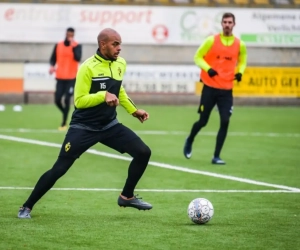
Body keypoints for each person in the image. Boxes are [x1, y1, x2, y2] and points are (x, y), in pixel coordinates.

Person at [18, 28, 152, 219]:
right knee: (59, 169)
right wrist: (102, 96)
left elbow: (118, 90)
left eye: (120, 44)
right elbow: (79, 101)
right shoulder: (87, 67)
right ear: (102, 44)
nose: (119, 48)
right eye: (115, 44)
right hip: (83, 127)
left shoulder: (121, 63)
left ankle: (127, 196)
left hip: (109, 126)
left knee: (143, 152)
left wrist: (133, 110)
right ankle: (27, 206)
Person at [183, 12, 248, 165]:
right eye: (225, 22)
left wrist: (240, 72)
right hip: (210, 88)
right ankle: (190, 139)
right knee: (203, 121)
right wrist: (208, 68)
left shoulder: (240, 44)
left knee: (225, 121)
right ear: (221, 24)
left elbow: (243, 61)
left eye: (230, 22)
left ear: (234, 24)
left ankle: (216, 156)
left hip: (226, 90)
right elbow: (197, 57)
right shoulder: (211, 41)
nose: (227, 24)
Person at [49, 27, 82, 131]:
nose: (69, 37)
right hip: (60, 77)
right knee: (57, 99)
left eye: (71, 35)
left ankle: (64, 123)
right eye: (68, 35)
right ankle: (65, 112)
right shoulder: (58, 45)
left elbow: (78, 58)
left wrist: (73, 47)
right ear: (66, 34)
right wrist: (52, 66)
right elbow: (53, 58)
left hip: (72, 77)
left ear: (73, 35)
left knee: (67, 99)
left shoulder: (77, 45)